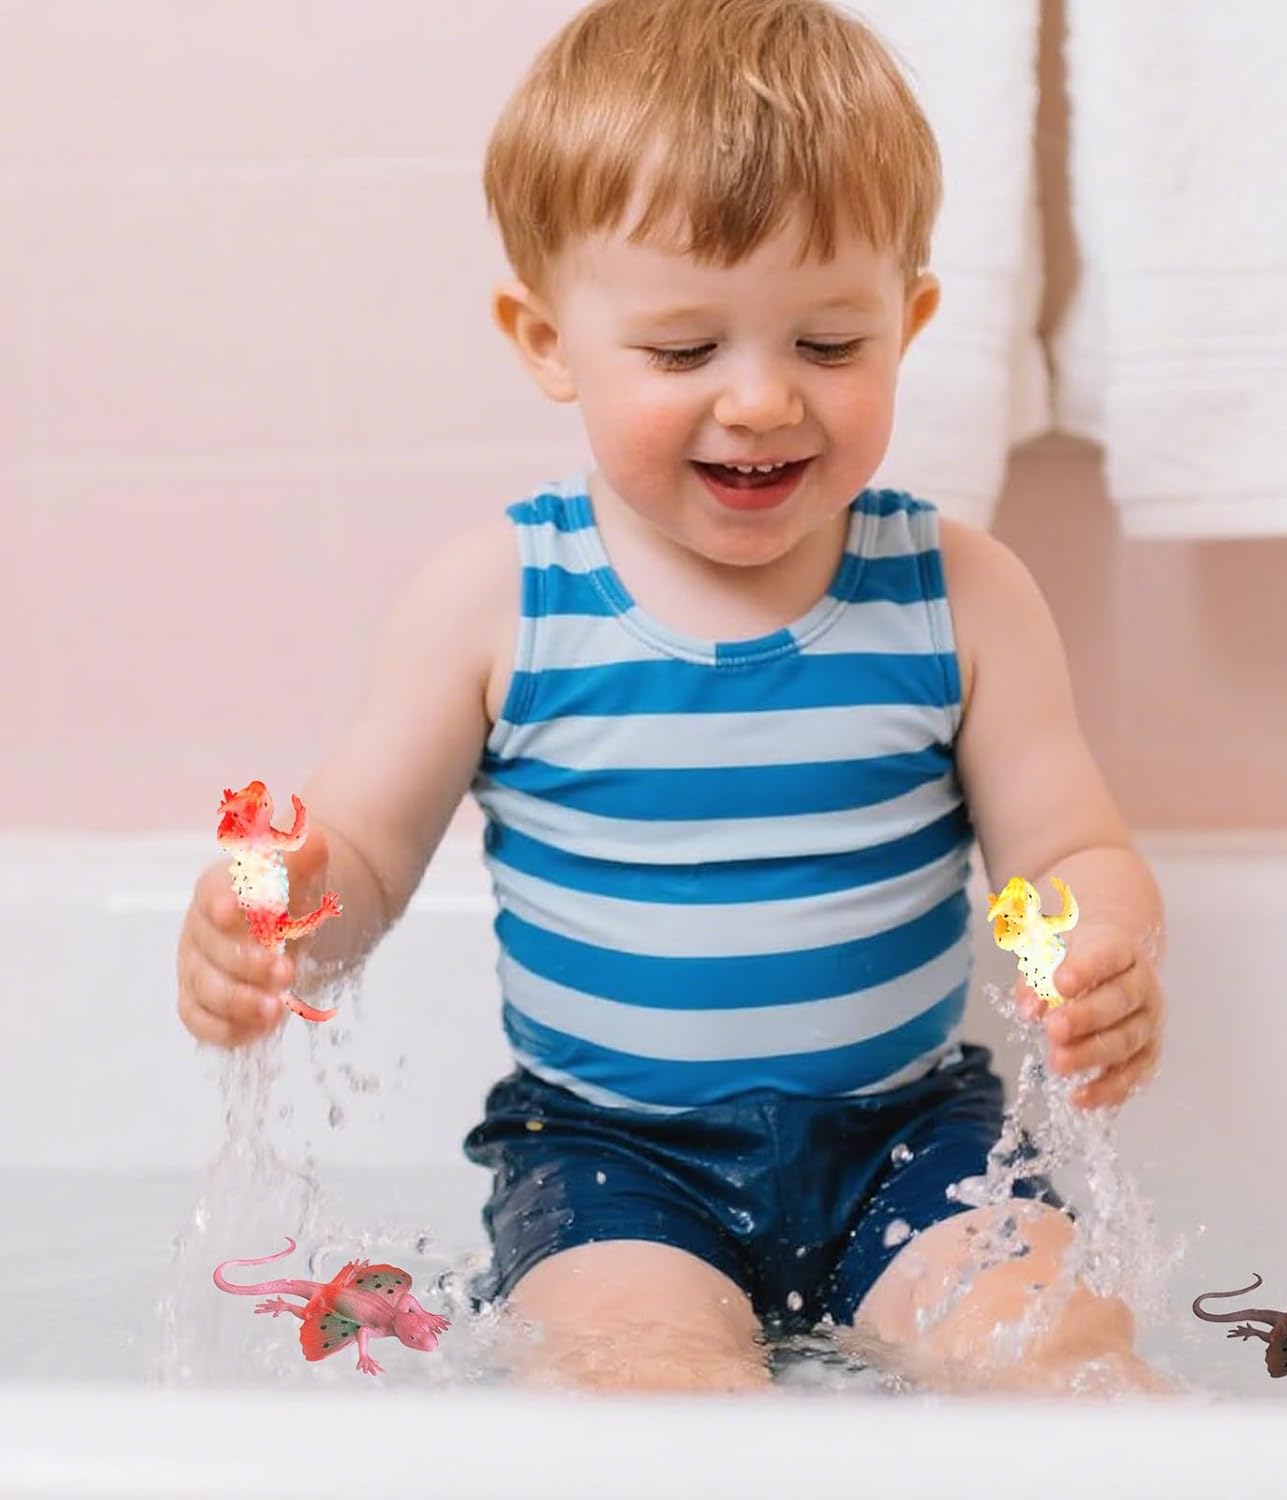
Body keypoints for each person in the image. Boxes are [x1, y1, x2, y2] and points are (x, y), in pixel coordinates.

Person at [176, 0, 1167, 1394]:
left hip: (911, 1140)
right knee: (641, 1382)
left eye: (830, 344)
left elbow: (1064, 850)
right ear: (547, 339)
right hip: (612, 1160)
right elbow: (366, 857)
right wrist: (276, 920)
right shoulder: (499, 604)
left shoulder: (962, 593)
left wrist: (1099, 948)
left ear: (910, 323)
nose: (760, 401)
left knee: (1064, 1356)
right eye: (686, 352)